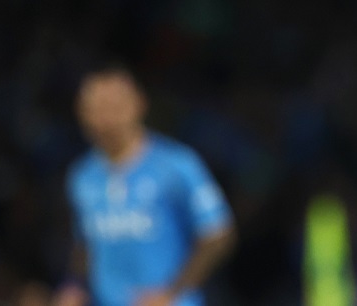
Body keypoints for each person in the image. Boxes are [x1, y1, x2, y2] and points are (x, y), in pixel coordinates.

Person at [52, 65, 237, 306]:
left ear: (139, 104)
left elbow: (218, 234)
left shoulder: (177, 165)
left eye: (113, 106)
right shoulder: (82, 176)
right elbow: (85, 246)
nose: (105, 119)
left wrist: (171, 292)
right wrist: (73, 286)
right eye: (94, 108)